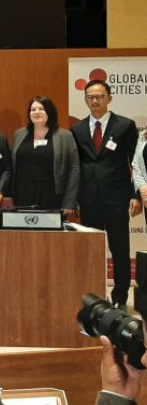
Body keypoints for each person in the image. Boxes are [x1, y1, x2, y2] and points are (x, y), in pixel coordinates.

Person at [72, 79, 140, 309]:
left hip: (117, 198)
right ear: (85, 100)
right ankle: (94, 298)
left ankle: (120, 298)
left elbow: (136, 163)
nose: (95, 101)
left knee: (120, 249)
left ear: (109, 98)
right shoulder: (77, 129)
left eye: (100, 96)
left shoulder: (125, 126)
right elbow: (76, 166)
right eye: (90, 97)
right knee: (91, 251)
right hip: (88, 200)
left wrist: (135, 195)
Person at [12, 95, 80, 213]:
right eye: (33, 110)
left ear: (50, 112)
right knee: (22, 230)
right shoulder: (19, 134)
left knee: (49, 230)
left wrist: (69, 202)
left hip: (51, 194)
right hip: (22, 193)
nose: (36, 112)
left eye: (41, 109)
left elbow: (74, 169)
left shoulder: (65, 136)